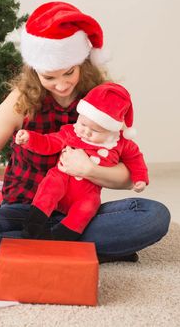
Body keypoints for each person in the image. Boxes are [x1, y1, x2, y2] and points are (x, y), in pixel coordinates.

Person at [0, 1, 170, 266]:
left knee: (154, 215)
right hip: (26, 212)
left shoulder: (103, 100)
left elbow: (129, 177)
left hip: (79, 213)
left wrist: (89, 170)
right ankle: (84, 250)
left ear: (82, 62)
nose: (62, 84)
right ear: (35, 70)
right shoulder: (20, 102)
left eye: (69, 72)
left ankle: (38, 250)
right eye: (50, 77)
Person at [15, 82, 149, 241]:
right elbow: (49, 143)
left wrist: (140, 178)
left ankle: (62, 236)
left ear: (112, 129)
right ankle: (33, 226)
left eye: (95, 130)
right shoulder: (71, 132)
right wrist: (29, 139)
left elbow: (135, 159)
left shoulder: (121, 143)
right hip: (62, 179)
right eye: (83, 124)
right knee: (51, 185)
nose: (85, 131)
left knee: (89, 206)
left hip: (88, 191)